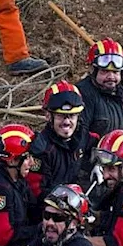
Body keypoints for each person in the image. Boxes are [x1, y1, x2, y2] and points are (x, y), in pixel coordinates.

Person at [25, 81, 90, 223]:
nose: (67, 122)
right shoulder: (41, 150)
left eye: (72, 116)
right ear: (48, 116)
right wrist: (70, 201)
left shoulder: (81, 135)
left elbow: (94, 142)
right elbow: (37, 193)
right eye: (61, 116)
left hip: (74, 208)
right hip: (47, 218)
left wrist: (99, 162)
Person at [76, 39, 123, 140]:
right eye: (105, 71)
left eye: (116, 72)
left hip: (118, 149)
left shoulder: (118, 91)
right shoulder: (83, 95)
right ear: (93, 71)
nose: (111, 76)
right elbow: (79, 138)